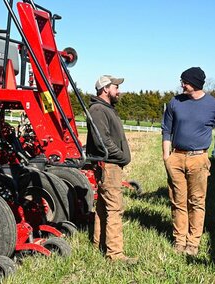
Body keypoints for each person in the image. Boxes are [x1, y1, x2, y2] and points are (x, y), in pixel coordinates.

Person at [162, 67, 215, 256]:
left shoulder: (213, 106)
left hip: (199, 159)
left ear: (196, 83)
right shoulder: (175, 102)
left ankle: (193, 243)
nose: (182, 85)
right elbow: (166, 129)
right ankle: (179, 240)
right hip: (176, 158)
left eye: (185, 82)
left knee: (196, 202)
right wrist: (167, 157)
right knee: (177, 201)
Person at [86, 75, 137, 263]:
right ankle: (115, 254)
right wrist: (122, 156)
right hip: (109, 165)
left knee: (102, 207)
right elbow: (103, 141)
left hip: (108, 164)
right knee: (115, 209)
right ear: (106, 89)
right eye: (116, 87)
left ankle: (98, 244)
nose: (119, 91)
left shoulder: (105, 108)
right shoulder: (98, 109)